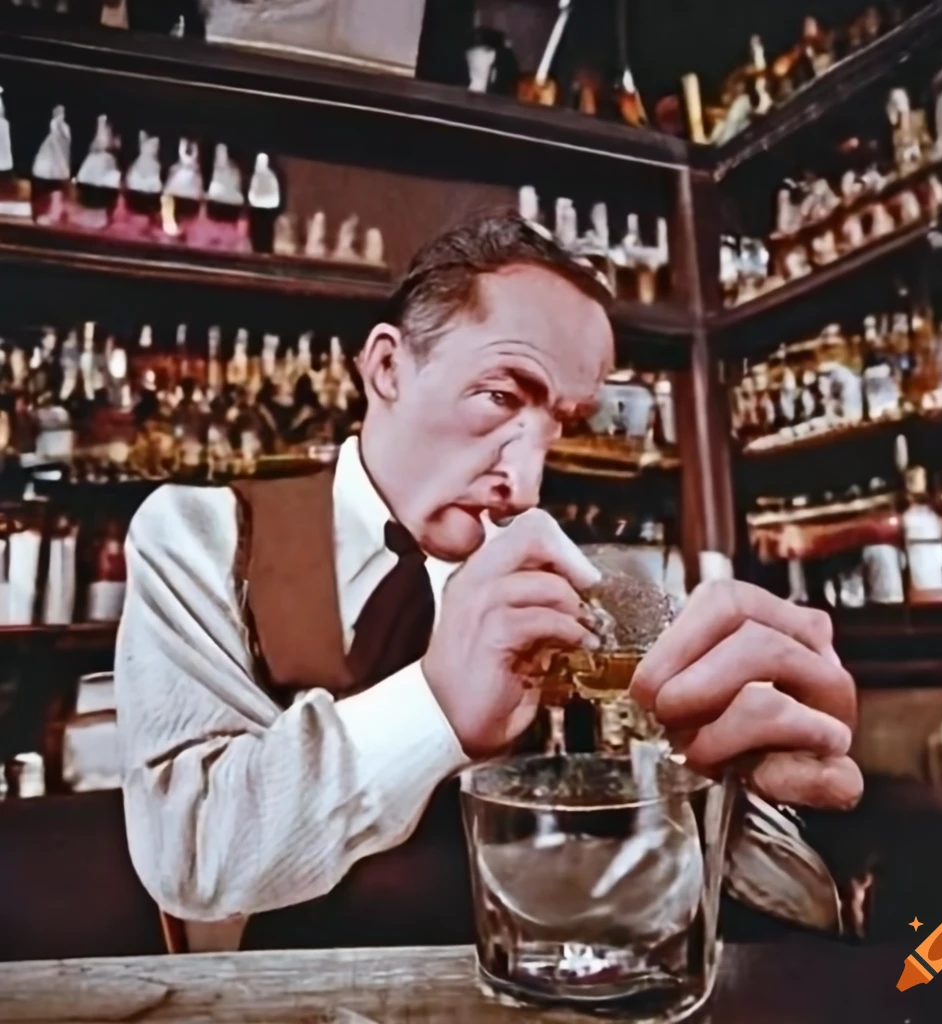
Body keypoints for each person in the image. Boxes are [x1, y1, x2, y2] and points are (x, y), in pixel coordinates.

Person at [114, 209, 861, 952]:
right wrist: (435, 706)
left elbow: (755, 906)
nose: (527, 485)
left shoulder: (572, 587)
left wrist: (737, 793)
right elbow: (192, 856)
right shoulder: (206, 535)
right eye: (501, 397)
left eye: (561, 423)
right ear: (387, 368)